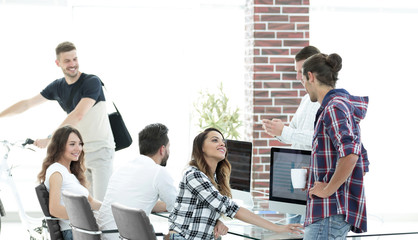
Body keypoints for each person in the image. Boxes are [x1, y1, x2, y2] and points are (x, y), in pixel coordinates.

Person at [0, 41, 114, 201]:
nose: (73, 64)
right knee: (87, 205)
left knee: (103, 204)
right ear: (58, 63)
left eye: (75, 59)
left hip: (101, 150)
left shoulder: (91, 82)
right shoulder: (58, 87)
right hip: (79, 154)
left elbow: (78, 114)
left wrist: (51, 138)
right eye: (67, 60)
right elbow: (27, 104)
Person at [168, 128, 304, 240]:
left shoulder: (213, 179)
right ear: (201, 147)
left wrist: (216, 220)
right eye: (215, 140)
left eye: (223, 142)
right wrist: (277, 227)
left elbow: (203, 208)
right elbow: (231, 208)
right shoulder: (194, 175)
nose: (222, 144)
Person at [301, 53, 369, 239]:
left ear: (311, 76)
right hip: (332, 214)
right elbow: (361, 159)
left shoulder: (333, 108)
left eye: (303, 80)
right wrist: (317, 176)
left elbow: (351, 155)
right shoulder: (341, 106)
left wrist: (328, 189)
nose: (304, 87)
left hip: (328, 215)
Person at [97, 123, 177, 240]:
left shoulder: (122, 169)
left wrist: (167, 204)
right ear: (162, 149)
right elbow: (179, 207)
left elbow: (135, 201)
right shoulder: (158, 172)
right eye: (168, 147)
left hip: (105, 235)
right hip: (125, 236)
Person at [37, 125, 102, 240]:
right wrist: (85, 216)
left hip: (83, 230)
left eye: (80, 144)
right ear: (60, 146)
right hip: (74, 232)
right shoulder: (56, 171)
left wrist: (111, 208)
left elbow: (90, 202)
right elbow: (54, 209)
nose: (78, 148)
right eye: (72, 144)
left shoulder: (71, 174)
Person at [262, 45, 321, 151]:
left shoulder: (329, 102)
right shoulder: (306, 99)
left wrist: (284, 131)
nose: (298, 77)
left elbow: (320, 139)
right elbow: (292, 135)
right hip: (298, 163)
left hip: (315, 166)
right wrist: (277, 131)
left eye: (301, 72)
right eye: (296, 72)